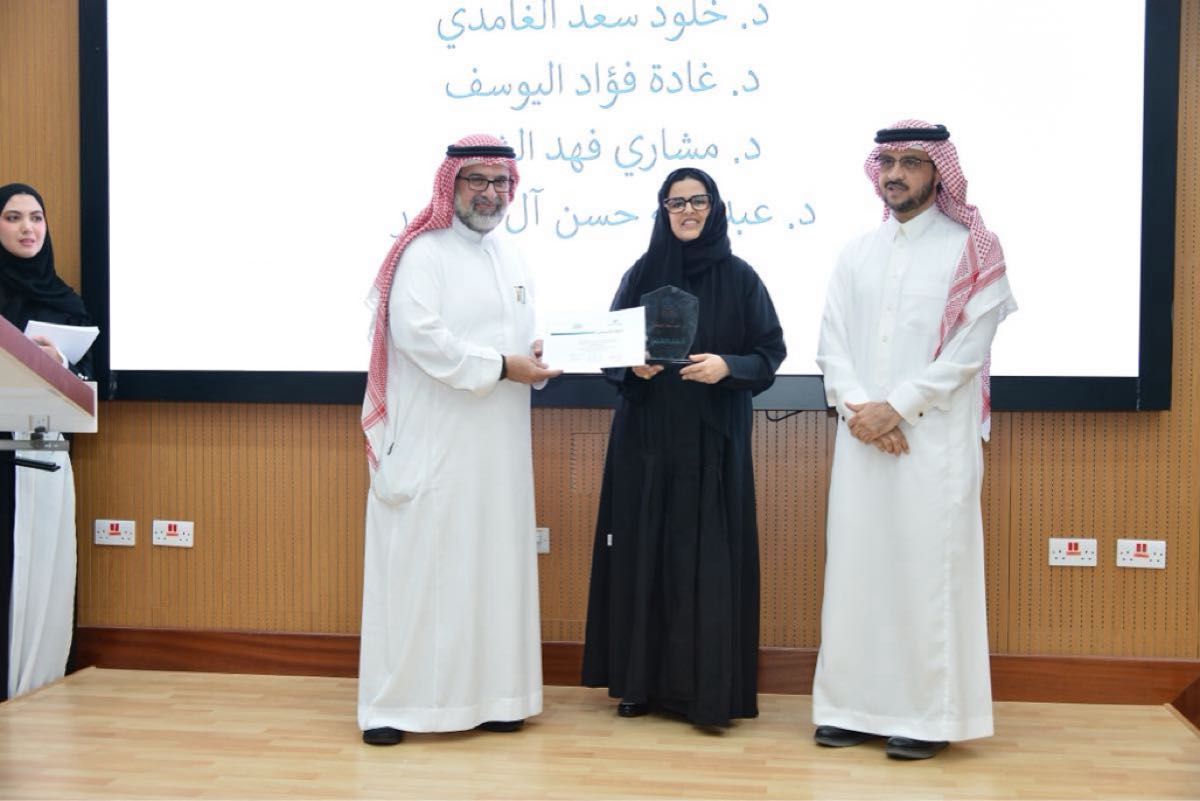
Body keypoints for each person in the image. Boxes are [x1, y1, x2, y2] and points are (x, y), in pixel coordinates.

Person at [811, 121, 1017, 759]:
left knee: (926, 576)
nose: (895, 173)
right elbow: (831, 343)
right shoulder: (856, 253)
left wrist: (897, 409)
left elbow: (968, 352)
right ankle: (850, 708)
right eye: (888, 162)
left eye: (910, 162)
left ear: (937, 172)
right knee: (858, 572)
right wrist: (862, 412)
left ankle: (928, 718)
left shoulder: (971, 250)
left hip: (933, 446)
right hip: (862, 440)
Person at [357, 134, 559, 745]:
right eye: (477, 181)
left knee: (493, 566)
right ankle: (396, 708)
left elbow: (514, 338)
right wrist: (501, 366)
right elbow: (419, 335)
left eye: (501, 182)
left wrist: (535, 355)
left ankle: (496, 697)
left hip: (498, 451)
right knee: (422, 570)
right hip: (434, 445)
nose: (490, 193)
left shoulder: (512, 258)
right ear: (452, 185)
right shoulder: (423, 253)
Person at [581, 167, 786, 729]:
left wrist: (727, 366)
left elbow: (769, 353)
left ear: (715, 208)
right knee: (643, 551)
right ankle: (638, 684)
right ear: (663, 211)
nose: (688, 211)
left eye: (698, 201)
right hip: (645, 441)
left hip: (712, 443)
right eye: (677, 203)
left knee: (708, 560)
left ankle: (706, 692)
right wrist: (632, 366)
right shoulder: (641, 274)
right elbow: (608, 349)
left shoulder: (741, 278)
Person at [0, 183, 95, 700]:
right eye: (13, 217)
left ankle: (36, 686)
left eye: (36, 217)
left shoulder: (65, 300)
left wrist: (59, 362)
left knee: (42, 574)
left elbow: (90, 378)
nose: (27, 228)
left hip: (47, 454)